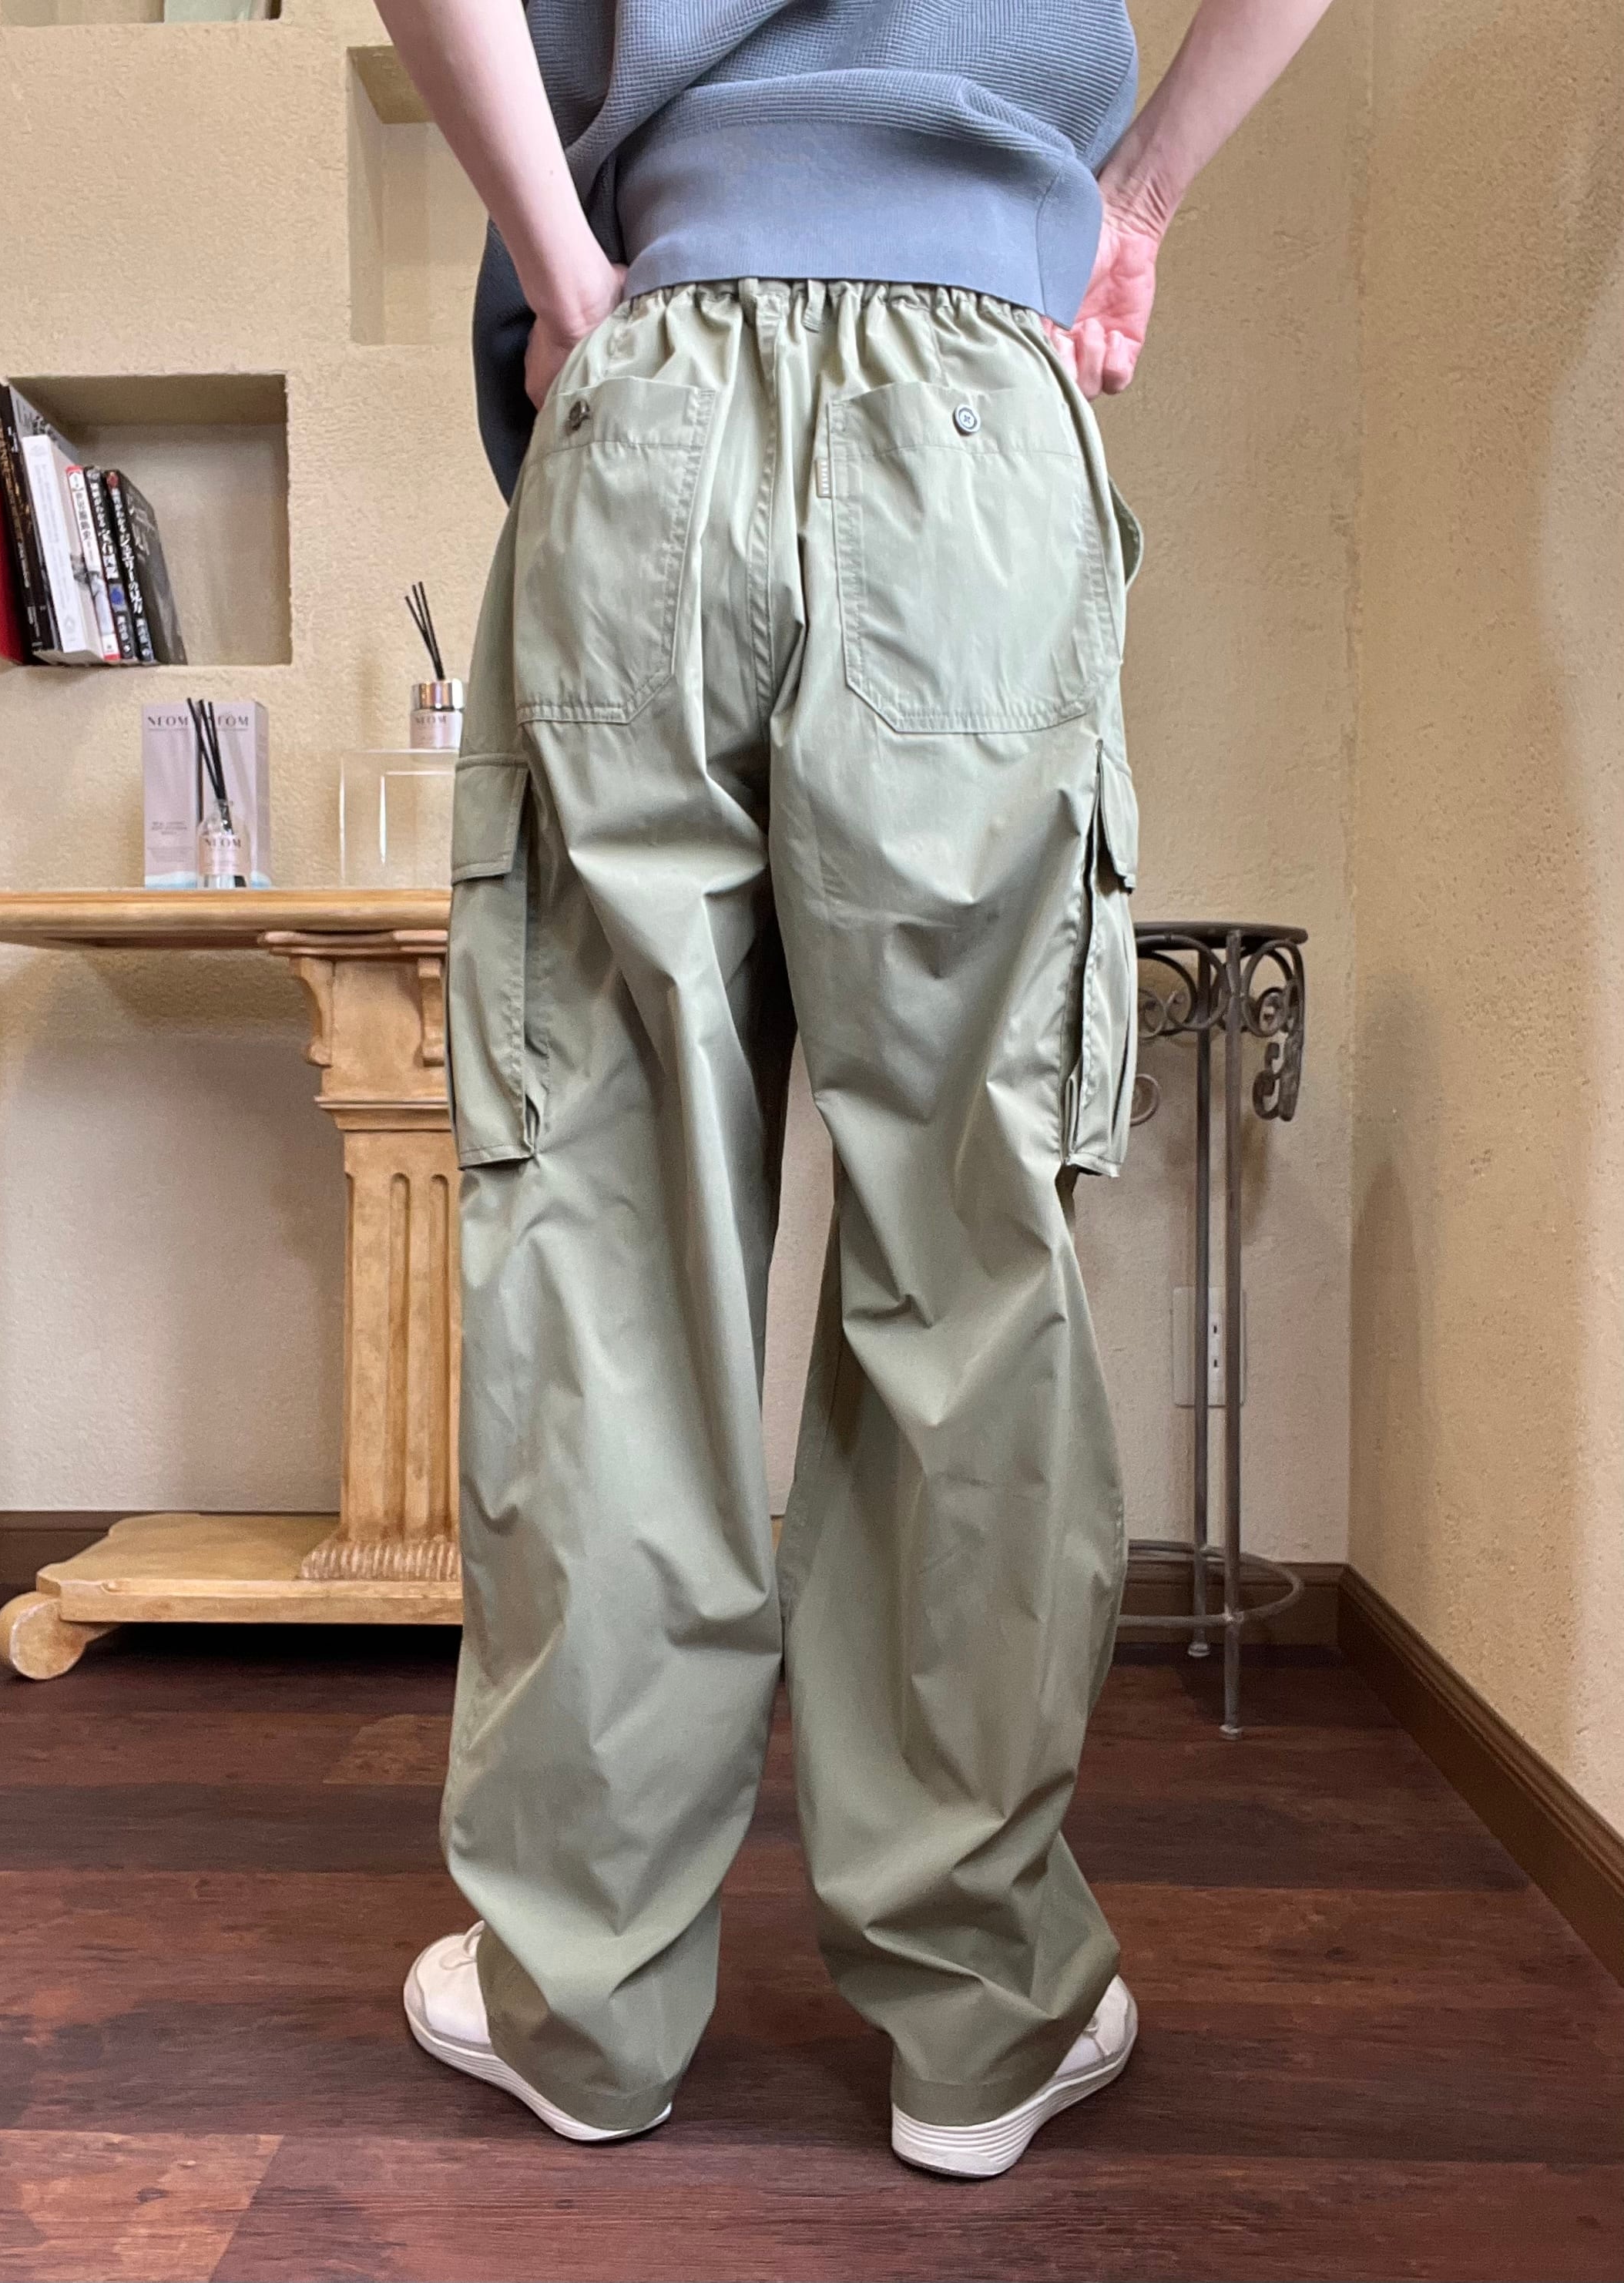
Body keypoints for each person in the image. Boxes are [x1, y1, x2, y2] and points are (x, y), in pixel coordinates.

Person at [378, 0, 1336, 2180]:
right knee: (971, 1244)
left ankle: (584, 2001)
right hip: (980, 417)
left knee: (608, 1231)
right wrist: (1136, 197)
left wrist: (563, 262)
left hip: (658, 377)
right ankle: (976, 2019)